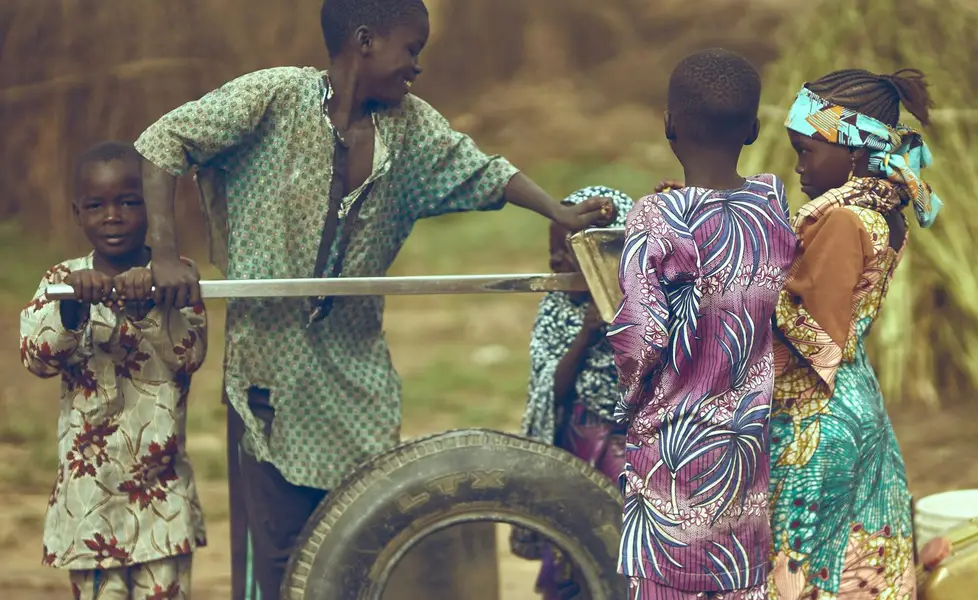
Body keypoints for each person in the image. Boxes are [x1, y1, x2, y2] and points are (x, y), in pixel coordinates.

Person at [131, 0, 615, 597]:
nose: (417, 66)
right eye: (411, 49)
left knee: (359, 537)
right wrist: (163, 251)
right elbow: (163, 142)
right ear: (365, 40)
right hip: (266, 372)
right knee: (279, 550)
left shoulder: (409, 127)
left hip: (353, 375)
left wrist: (558, 212)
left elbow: (485, 171)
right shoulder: (275, 97)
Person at [609, 49, 798, 600]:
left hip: (673, 462)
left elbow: (640, 341)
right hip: (744, 466)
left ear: (669, 125)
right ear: (752, 129)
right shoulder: (770, 204)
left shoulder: (655, 216)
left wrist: (634, 402)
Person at [767, 69, 948, 598]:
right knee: (853, 555)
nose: (799, 166)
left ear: (850, 151)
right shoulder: (883, 208)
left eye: (806, 151)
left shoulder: (844, 221)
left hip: (816, 418)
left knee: (801, 570)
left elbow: (814, 335)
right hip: (855, 396)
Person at [20, 141, 207, 599]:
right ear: (76, 212)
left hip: (160, 493)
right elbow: (36, 357)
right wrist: (71, 309)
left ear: (153, 207)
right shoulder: (61, 279)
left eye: (128, 201)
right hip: (90, 499)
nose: (113, 216)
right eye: (96, 205)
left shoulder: (177, 275)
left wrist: (148, 307)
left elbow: (190, 354)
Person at [511, 185, 635, 599]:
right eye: (552, 253)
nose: (554, 262)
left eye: (566, 254)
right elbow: (550, 392)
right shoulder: (557, 309)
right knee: (575, 560)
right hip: (577, 449)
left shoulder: (644, 311)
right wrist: (585, 335)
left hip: (631, 463)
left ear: (608, 257)